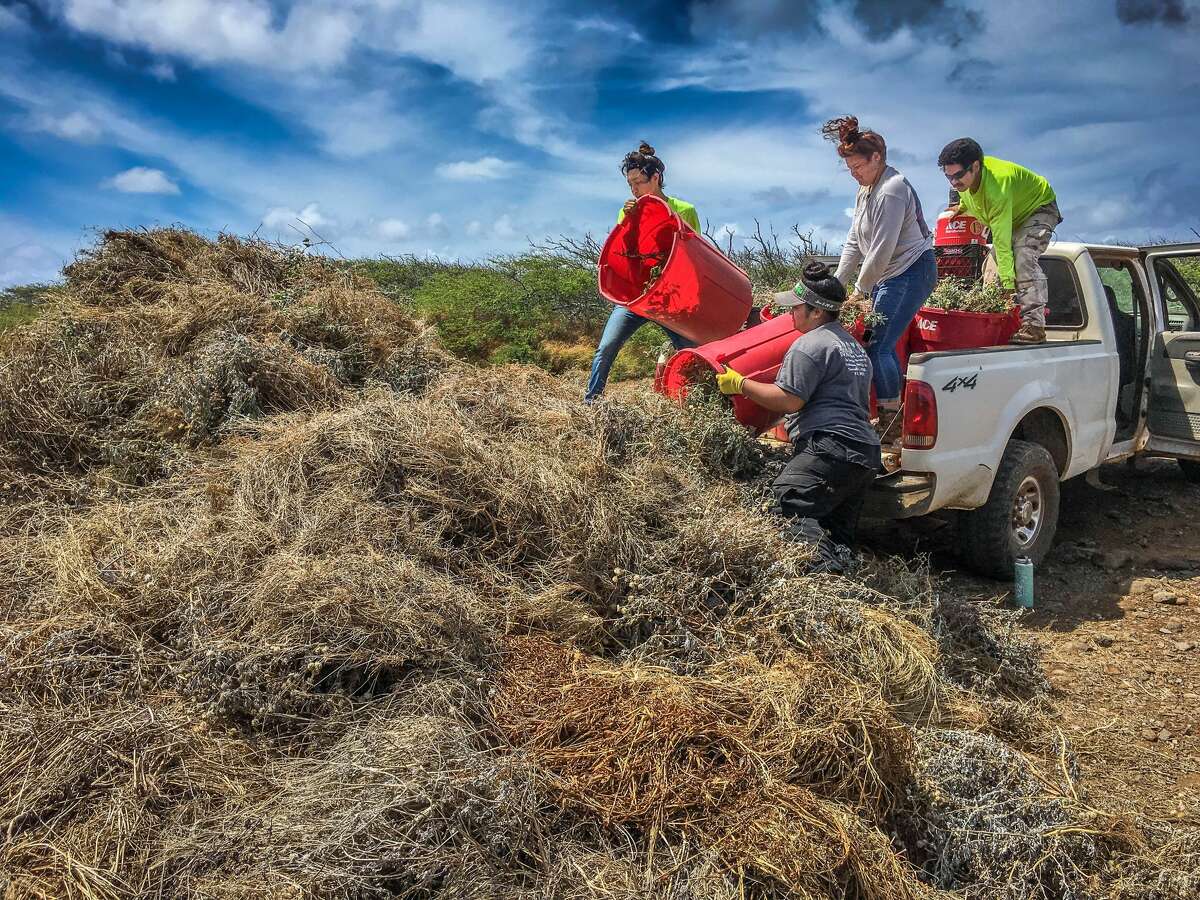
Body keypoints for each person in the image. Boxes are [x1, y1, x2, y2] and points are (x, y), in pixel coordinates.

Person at [715, 262, 881, 573]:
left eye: (795, 308)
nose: (790, 314)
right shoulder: (853, 348)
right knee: (834, 530)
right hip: (865, 454)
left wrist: (740, 384)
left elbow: (789, 401)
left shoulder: (809, 345)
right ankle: (845, 582)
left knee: (787, 504)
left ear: (816, 311)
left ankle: (825, 581)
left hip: (832, 446)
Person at [824, 116, 935, 443]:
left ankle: (891, 425)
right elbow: (855, 241)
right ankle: (879, 413)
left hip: (912, 270)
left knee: (878, 343)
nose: (855, 173)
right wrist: (837, 284)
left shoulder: (892, 189)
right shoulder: (865, 190)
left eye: (859, 166)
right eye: (850, 168)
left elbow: (883, 249)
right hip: (889, 273)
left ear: (877, 158)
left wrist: (860, 290)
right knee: (875, 340)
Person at [584, 142, 701, 402]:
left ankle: (700, 403)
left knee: (691, 350)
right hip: (636, 296)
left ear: (656, 178)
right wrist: (629, 221)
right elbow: (622, 253)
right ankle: (592, 403)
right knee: (606, 347)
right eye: (630, 185)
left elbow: (696, 255)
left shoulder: (686, 210)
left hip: (669, 298)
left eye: (639, 182)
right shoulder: (625, 211)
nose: (634, 190)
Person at [937, 138, 1061, 344]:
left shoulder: (998, 187)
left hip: (1038, 208)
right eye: (948, 177)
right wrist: (962, 208)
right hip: (1013, 213)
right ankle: (996, 325)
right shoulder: (965, 186)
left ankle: (1034, 326)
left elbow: (1002, 243)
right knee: (990, 272)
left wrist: (1008, 284)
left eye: (958, 175)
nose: (953, 182)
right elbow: (975, 199)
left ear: (975, 166)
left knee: (1023, 257)